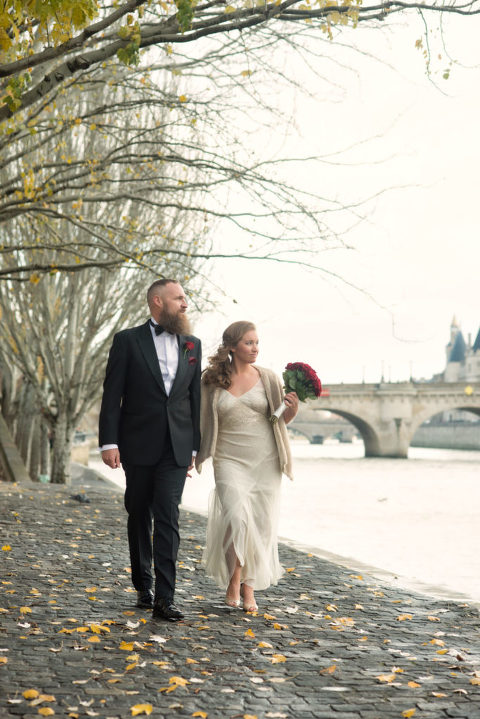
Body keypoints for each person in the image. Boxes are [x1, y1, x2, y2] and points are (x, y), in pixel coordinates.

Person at [98, 279, 201, 621]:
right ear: (158, 301)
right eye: (179, 298)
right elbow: (113, 394)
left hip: (176, 446)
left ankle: (165, 599)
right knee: (139, 511)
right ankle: (144, 586)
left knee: (169, 516)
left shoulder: (192, 345)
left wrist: (195, 447)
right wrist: (109, 442)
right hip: (137, 443)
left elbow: (194, 400)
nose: (185, 304)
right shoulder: (127, 340)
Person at [195, 321, 298, 612]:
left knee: (261, 526)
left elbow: (279, 421)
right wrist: (194, 454)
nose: (255, 348)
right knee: (237, 517)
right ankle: (234, 577)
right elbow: (201, 421)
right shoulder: (211, 380)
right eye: (248, 343)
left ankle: (249, 586)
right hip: (228, 458)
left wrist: (292, 407)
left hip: (265, 460)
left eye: (257, 342)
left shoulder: (268, 378)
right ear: (232, 347)